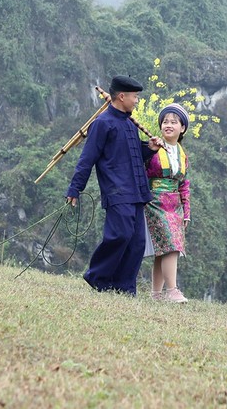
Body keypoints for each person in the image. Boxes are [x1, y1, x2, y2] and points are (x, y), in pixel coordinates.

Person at [65, 77, 161, 295]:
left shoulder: (128, 123)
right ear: (122, 96)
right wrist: (75, 189)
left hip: (137, 192)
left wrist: (150, 148)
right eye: (135, 96)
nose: (137, 101)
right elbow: (86, 159)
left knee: (136, 243)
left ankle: (124, 287)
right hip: (117, 191)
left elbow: (134, 154)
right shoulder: (102, 123)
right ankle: (97, 277)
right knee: (120, 235)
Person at [144, 103, 191, 303]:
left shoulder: (182, 155)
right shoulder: (153, 149)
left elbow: (184, 185)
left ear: (183, 129)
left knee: (163, 249)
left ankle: (156, 294)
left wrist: (186, 211)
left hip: (175, 205)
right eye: (165, 122)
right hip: (155, 202)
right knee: (171, 245)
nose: (168, 125)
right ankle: (172, 290)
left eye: (174, 122)